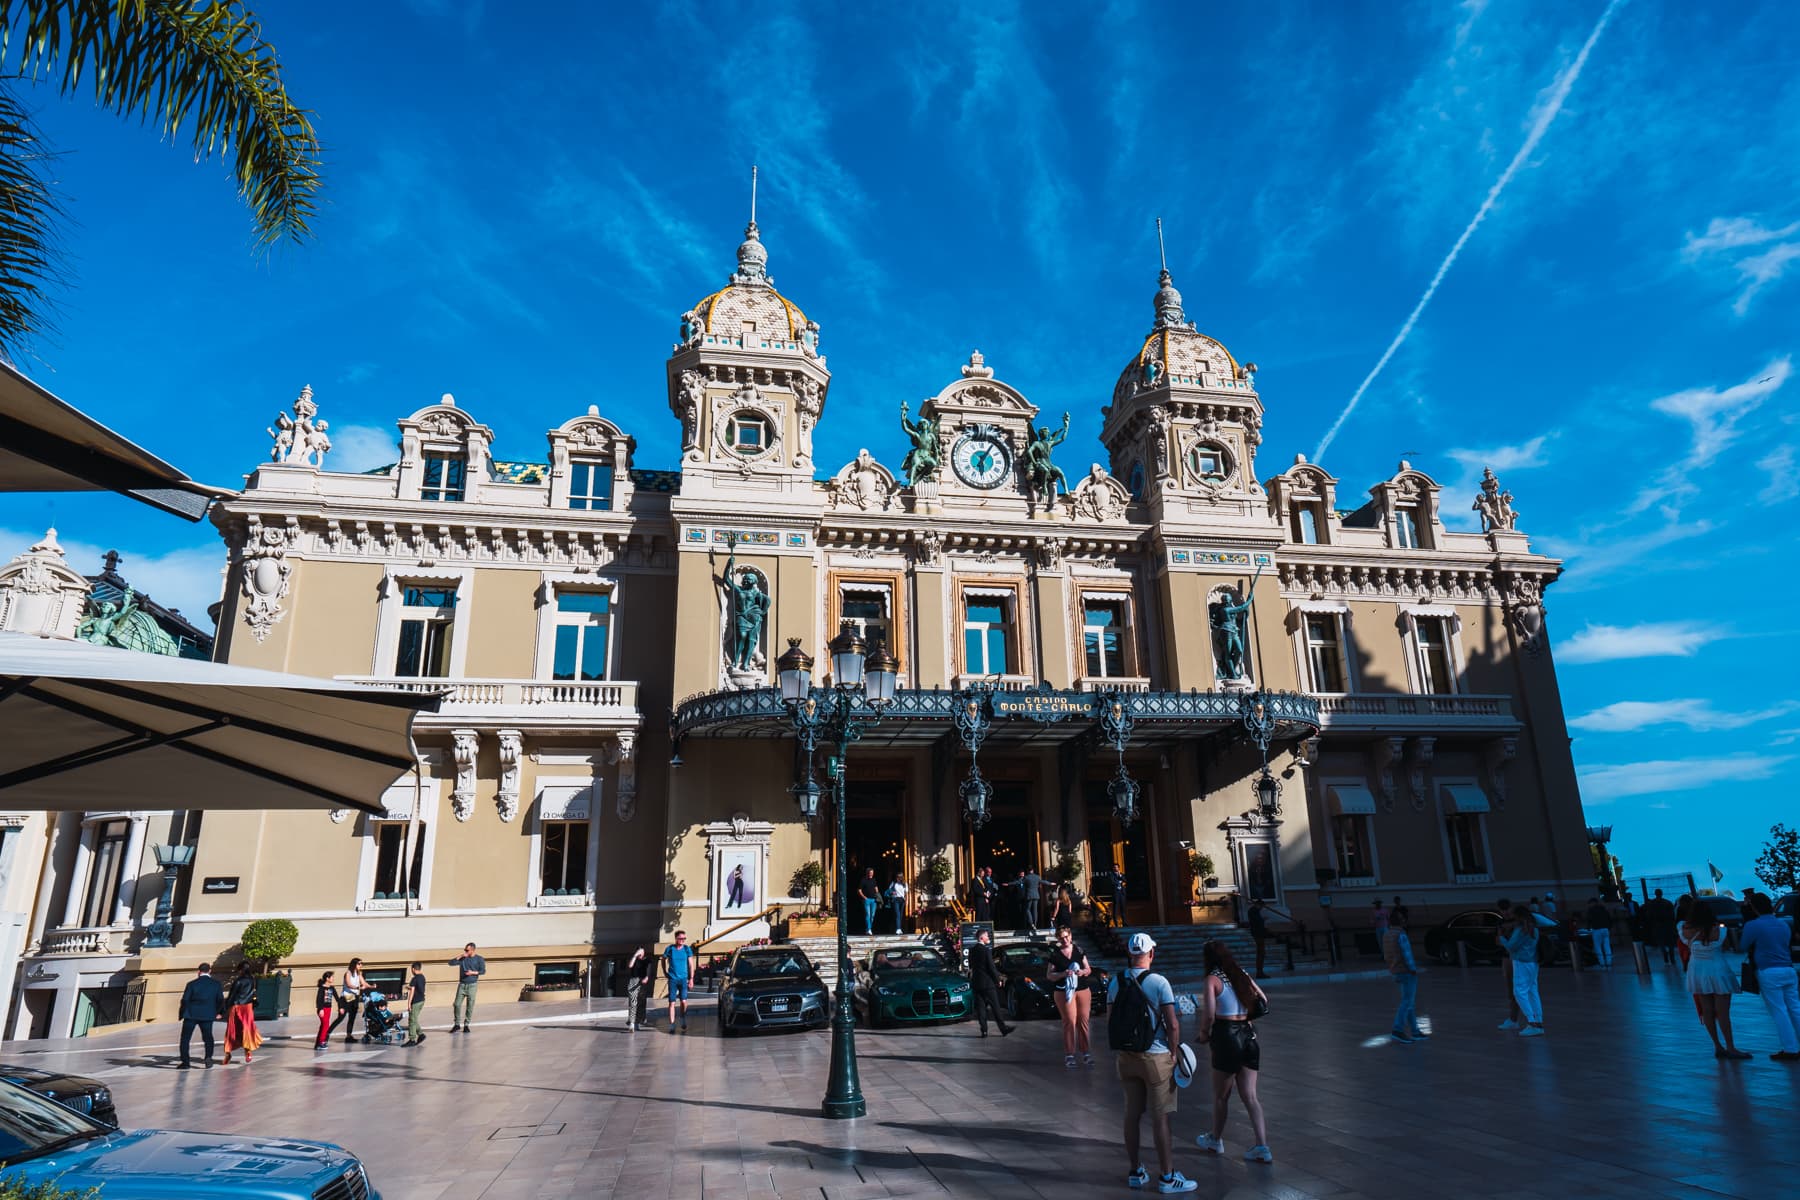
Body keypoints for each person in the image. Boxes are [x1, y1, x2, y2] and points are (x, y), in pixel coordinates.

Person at [1108, 933, 1196, 1194]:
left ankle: (1136, 1171)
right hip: (1155, 1056)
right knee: (1161, 1119)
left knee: (1131, 1115)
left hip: (1126, 1058)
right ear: (1151, 954)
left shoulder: (1116, 981)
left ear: (1130, 953)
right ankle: (1167, 1177)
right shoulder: (1159, 982)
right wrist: (1172, 1051)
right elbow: (1173, 1024)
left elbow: (1111, 1020)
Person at [1193, 939, 1272, 1165]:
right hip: (1249, 1036)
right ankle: (1262, 1146)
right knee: (1251, 1097)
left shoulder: (1212, 979)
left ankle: (1215, 1140)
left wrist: (1203, 1034)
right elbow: (1263, 1000)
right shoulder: (1241, 973)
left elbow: (1208, 1014)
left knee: (1221, 1097)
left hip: (1227, 1036)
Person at [1681, 906, 1749, 1059]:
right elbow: (1726, 946)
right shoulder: (1717, 930)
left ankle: (1717, 1046)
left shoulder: (1684, 928)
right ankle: (1731, 1046)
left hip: (1697, 970)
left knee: (1707, 1010)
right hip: (1718, 969)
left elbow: (1685, 942)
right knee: (1723, 1012)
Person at [1742, 892, 1800, 1061]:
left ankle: (1790, 1048)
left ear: (1753, 907)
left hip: (1768, 971)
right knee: (1795, 1008)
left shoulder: (1753, 925)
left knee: (1779, 1010)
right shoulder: (1783, 925)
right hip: (1788, 969)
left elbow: (1743, 945)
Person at [1048, 925, 1094, 1068]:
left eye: (1067, 936)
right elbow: (1049, 975)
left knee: (1084, 1020)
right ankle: (1069, 1054)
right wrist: (1063, 974)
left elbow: (1088, 969)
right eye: (1061, 938)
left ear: (1071, 936)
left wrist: (1082, 972)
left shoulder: (1079, 951)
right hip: (1064, 991)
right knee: (1069, 1021)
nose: (1065, 940)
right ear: (1058, 939)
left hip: (1083, 989)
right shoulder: (1055, 954)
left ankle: (1086, 1053)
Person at [1499, 908, 1545, 1037]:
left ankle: (1532, 1022)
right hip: (1533, 962)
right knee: (1532, 991)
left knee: (1519, 992)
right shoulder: (1534, 929)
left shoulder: (1520, 930)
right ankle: (1538, 1022)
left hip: (1521, 962)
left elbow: (1511, 946)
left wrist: (1502, 938)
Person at [1383, 909, 1424, 1043]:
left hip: (1396, 970)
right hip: (1406, 971)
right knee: (1407, 1001)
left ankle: (1415, 1031)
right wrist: (1413, 969)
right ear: (1401, 921)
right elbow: (1407, 954)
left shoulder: (1387, 934)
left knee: (1408, 1001)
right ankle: (1398, 1029)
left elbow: (1387, 955)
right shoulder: (1401, 934)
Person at [177, 962, 226, 1069]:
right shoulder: (216, 984)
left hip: (191, 1014)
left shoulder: (191, 984)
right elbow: (220, 1000)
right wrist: (219, 1013)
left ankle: (185, 1062)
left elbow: (185, 1000)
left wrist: (182, 1013)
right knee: (208, 1037)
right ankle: (208, 1058)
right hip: (207, 1015)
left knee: (185, 1038)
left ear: (199, 972)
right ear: (210, 971)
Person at [966, 927, 1013, 1038]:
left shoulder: (972, 950)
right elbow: (991, 967)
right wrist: (998, 979)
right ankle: (1003, 1028)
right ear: (981, 938)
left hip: (977, 982)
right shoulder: (986, 951)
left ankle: (984, 1031)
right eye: (987, 936)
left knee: (981, 1008)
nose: (988, 937)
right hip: (987, 983)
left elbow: (971, 966)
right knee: (995, 1006)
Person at [221, 964, 262, 1065]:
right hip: (248, 1007)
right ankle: (248, 1051)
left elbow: (231, 996)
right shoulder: (253, 980)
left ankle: (227, 1054)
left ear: (240, 970)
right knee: (247, 1029)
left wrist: (223, 1009)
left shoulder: (238, 981)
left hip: (237, 1007)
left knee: (232, 1030)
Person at [1494, 899, 1525, 1030]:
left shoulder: (1519, 921)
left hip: (1518, 958)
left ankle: (1527, 1020)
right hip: (1507, 958)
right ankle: (1514, 1019)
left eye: (1507, 908)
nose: (1505, 912)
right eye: (1502, 909)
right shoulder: (1500, 923)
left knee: (1520, 990)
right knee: (1511, 990)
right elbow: (1497, 940)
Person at [448, 942, 486, 1032]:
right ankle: (457, 1024)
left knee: (470, 1005)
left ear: (472, 950)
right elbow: (450, 963)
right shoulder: (463, 959)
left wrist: (472, 972)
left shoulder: (479, 959)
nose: (465, 951)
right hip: (462, 984)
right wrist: (460, 956)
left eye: (467, 950)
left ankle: (466, 1024)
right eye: (464, 950)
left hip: (472, 985)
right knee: (457, 1004)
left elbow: (483, 971)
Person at [663, 930, 696, 1033]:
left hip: (683, 979)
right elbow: (663, 960)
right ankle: (672, 1024)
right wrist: (664, 972)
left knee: (683, 1001)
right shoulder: (670, 949)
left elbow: (691, 965)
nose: (682, 940)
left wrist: (691, 979)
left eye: (684, 939)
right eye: (680, 938)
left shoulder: (687, 949)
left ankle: (682, 1018)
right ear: (676, 938)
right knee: (672, 1002)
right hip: (673, 978)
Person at [329, 957, 367, 1043]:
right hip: (347, 996)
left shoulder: (359, 973)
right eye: (359, 964)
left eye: (361, 964)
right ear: (354, 964)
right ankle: (327, 1033)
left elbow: (364, 983)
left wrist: (371, 986)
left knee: (352, 1018)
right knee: (341, 1018)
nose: (361, 965)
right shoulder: (348, 973)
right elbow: (349, 984)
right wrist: (358, 987)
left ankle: (349, 1036)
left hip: (355, 996)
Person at [1644, 888, 1678, 964]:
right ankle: (1672, 958)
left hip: (1657, 925)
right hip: (1667, 925)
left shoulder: (1652, 904)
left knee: (1661, 942)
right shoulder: (1668, 903)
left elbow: (1648, 915)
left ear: (1655, 894)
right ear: (1661, 893)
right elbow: (1672, 915)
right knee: (1670, 942)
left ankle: (1665, 955)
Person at [625, 947, 653, 1032]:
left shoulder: (647, 960)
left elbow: (649, 969)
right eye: (639, 951)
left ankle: (638, 1022)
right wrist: (635, 955)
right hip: (633, 981)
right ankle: (632, 1023)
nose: (641, 953)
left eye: (642, 951)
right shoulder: (634, 959)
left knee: (641, 1002)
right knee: (633, 1002)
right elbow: (630, 966)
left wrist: (647, 977)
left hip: (642, 981)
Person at [1584, 896, 1614, 969]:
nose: (1589, 905)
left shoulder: (1591, 910)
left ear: (1592, 903)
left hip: (1596, 930)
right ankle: (1609, 962)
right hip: (1605, 929)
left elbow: (1589, 920)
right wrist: (1609, 928)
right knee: (1607, 946)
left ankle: (1602, 962)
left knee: (1598, 947)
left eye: (1590, 903)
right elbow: (1609, 919)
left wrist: (1588, 928)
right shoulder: (1604, 909)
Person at [402, 961, 428, 1047]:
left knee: (412, 1021)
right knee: (414, 1018)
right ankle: (421, 1035)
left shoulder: (414, 978)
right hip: (421, 1000)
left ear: (413, 969)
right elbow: (417, 988)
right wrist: (409, 987)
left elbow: (412, 992)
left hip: (416, 1001)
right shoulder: (422, 977)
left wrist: (409, 1004)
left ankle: (412, 1039)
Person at [313, 971, 335, 1052]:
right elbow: (318, 999)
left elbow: (337, 998)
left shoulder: (332, 988)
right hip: (322, 1009)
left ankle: (318, 1043)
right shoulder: (322, 988)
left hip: (329, 1009)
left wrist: (341, 1007)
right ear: (327, 978)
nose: (333, 978)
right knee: (325, 1025)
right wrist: (320, 1009)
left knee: (323, 1025)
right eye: (332, 977)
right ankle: (321, 1042)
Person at [1248, 898, 1269, 976]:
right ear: (1258, 905)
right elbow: (1256, 922)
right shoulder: (1253, 911)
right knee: (1261, 952)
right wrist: (1263, 920)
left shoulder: (1254, 911)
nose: (1262, 908)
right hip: (1258, 934)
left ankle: (1260, 971)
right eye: (1261, 906)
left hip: (1258, 933)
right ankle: (1259, 971)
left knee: (1261, 952)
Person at [859, 868, 881, 935]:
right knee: (868, 914)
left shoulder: (874, 880)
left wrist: (878, 896)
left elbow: (876, 888)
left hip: (874, 900)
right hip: (867, 900)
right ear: (867, 873)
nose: (871, 874)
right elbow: (859, 890)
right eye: (870, 873)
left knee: (872, 915)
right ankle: (869, 929)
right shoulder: (863, 880)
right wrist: (864, 897)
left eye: (872, 873)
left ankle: (868, 929)